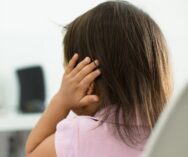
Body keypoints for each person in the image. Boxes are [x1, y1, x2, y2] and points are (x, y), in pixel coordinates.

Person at [25, 1, 172, 157]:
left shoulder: (77, 135)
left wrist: (62, 100)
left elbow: (32, 152)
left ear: (88, 81)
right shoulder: (171, 129)